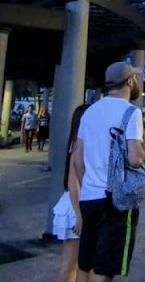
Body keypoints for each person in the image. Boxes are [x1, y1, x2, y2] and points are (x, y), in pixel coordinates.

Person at [71, 61, 145, 281]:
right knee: (104, 269)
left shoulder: (90, 111)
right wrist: (144, 144)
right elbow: (134, 159)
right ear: (130, 81)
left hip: (89, 198)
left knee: (86, 265)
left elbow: (77, 159)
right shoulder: (130, 112)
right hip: (114, 202)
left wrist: (88, 184)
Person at [53, 103, 91, 282]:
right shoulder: (79, 145)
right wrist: (79, 215)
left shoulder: (76, 142)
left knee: (81, 265)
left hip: (74, 205)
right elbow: (72, 182)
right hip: (75, 208)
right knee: (70, 265)